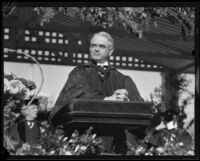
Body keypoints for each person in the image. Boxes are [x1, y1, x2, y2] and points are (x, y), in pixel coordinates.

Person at [49, 31, 144, 154]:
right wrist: (107, 99)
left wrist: (127, 103)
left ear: (110, 51)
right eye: (93, 45)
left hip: (114, 143)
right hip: (83, 141)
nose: (96, 49)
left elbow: (139, 108)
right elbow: (75, 96)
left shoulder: (123, 80)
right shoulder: (79, 73)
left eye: (101, 46)